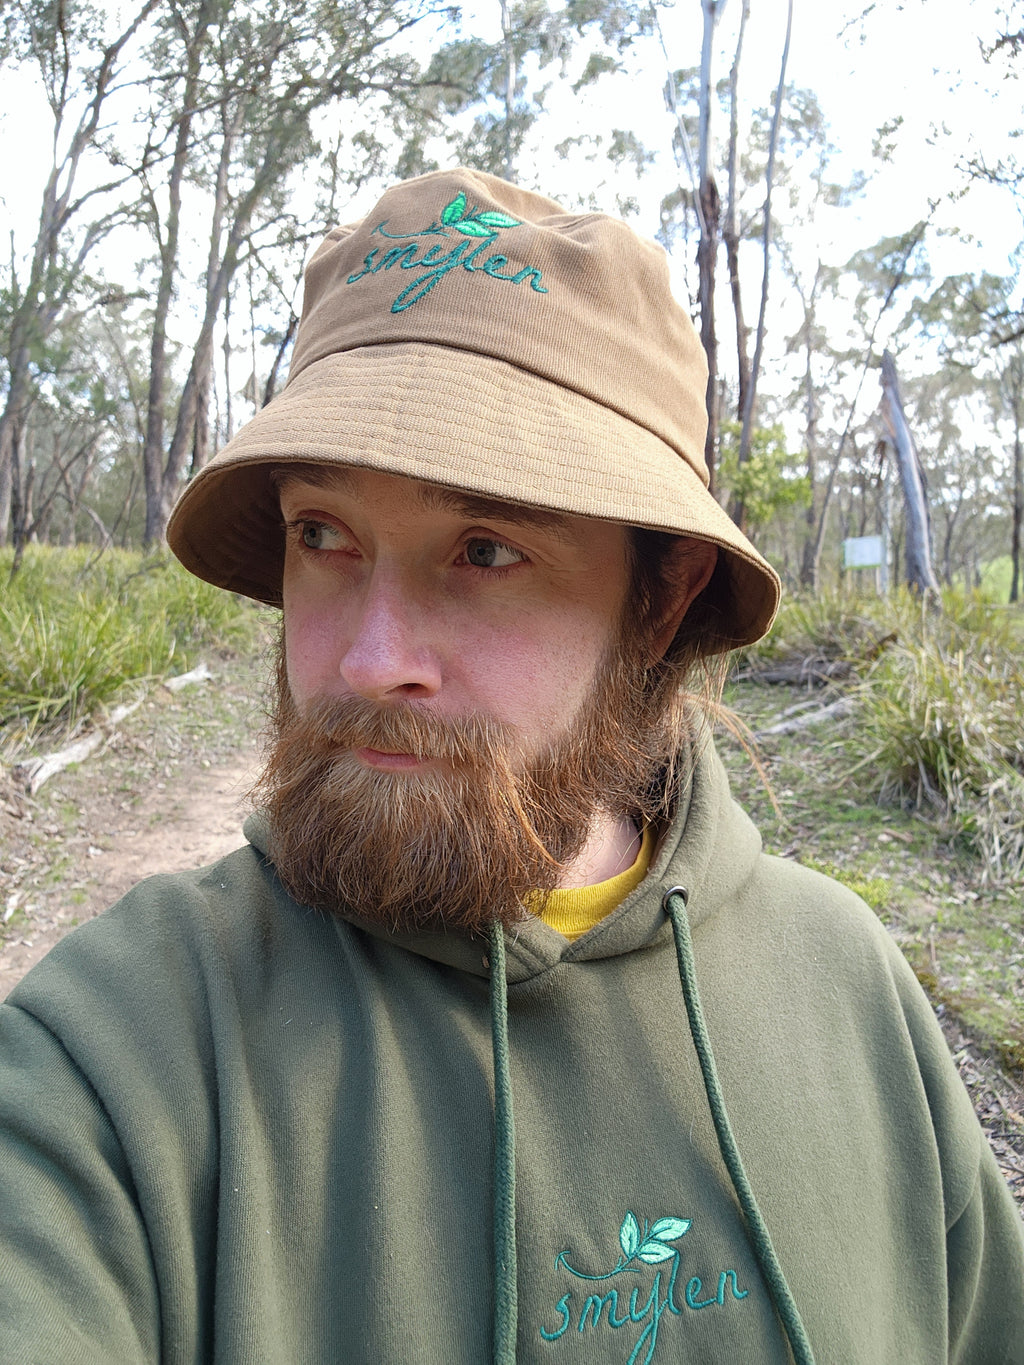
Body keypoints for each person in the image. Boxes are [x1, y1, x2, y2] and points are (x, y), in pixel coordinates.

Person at [1, 168, 1021, 1365]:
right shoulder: (114, 1054)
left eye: (484, 549)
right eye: (321, 535)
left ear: (661, 593)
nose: (372, 658)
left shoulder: (850, 990)